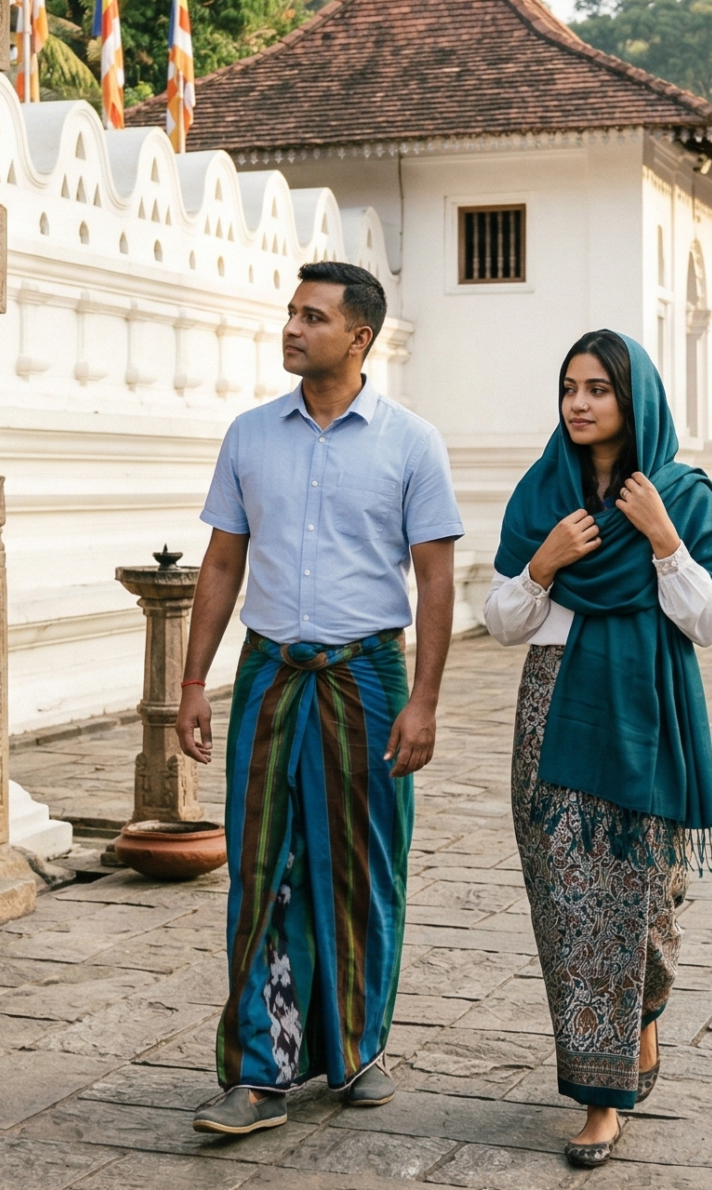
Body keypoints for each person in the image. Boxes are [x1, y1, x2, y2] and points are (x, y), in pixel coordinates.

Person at [178, 262, 464, 1135]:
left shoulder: (411, 443)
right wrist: (191, 682)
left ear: (359, 337)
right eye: (291, 314)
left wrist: (423, 701)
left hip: (365, 676)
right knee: (259, 865)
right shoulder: (249, 435)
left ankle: (355, 1051)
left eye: (313, 317)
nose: (292, 329)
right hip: (269, 674)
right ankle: (258, 1071)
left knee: (363, 865)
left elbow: (436, 579)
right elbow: (222, 562)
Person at [484, 330, 712, 1168]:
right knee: (571, 909)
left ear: (633, 401)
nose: (579, 403)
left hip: (646, 715)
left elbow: (711, 619)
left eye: (598, 388)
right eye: (569, 387)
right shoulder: (543, 492)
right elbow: (500, 621)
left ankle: (644, 1013)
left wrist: (664, 538)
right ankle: (600, 1096)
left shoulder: (681, 494)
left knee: (647, 903)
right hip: (551, 715)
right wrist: (544, 563)